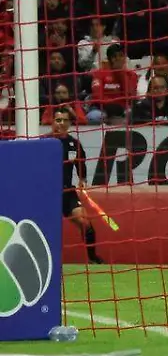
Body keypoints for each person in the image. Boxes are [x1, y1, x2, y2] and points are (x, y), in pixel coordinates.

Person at [49, 106, 102, 264]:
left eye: (65, 120)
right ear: (52, 122)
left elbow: (81, 165)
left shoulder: (74, 144)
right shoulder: (44, 143)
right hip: (46, 193)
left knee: (86, 222)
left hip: (67, 192)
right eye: (58, 120)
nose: (62, 123)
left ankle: (93, 259)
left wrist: (83, 179)